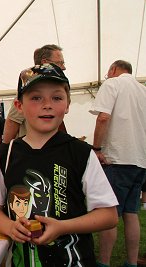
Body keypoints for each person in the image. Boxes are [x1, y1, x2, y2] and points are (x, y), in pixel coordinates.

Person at [0, 63, 118, 266]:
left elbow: (108, 215)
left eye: (56, 98)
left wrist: (63, 227)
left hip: (75, 261)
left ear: (67, 104)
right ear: (19, 106)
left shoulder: (81, 153)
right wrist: (10, 227)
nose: (47, 105)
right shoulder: (6, 155)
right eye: (36, 98)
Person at [89, 60, 146, 267]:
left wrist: (96, 148)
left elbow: (103, 118)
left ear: (113, 70)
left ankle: (103, 263)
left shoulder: (112, 84)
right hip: (140, 159)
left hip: (118, 158)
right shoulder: (143, 90)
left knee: (109, 212)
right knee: (131, 213)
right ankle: (131, 263)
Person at [2, 44, 67, 145]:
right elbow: (12, 121)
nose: (64, 67)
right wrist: (6, 150)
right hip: (30, 150)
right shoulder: (28, 90)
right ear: (45, 62)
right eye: (60, 63)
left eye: (57, 98)